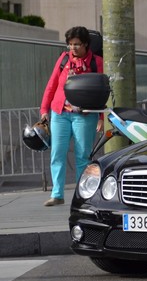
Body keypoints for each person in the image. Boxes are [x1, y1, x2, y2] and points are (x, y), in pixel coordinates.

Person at [40, 26, 104, 206]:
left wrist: (100, 117)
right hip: (60, 112)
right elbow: (52, 84)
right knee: (57, 153)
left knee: (82, 156)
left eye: (77, 44)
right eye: (70, 44)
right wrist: (44, 109)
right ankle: (57, 194)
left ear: (85, 44)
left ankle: (81, 195)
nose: (73, 48)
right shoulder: (64, 59)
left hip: (84, 115)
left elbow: (101, 91)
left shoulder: (96, 62)